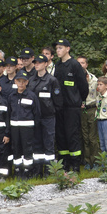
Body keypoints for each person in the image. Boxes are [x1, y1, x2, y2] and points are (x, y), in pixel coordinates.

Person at [52, 39, 89, 172]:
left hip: (72, 107)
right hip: (59, 107)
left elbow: (83, 87)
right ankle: (64, 163)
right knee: (61, 136)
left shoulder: (74, 65)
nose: (58, 51)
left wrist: (79, 101)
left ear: (68, 49)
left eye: (60, 48)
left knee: (72, 135)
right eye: (57, 48)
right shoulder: (58, 65)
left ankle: (75, 164)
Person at [29, 54, 58, 173]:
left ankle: (48, 171)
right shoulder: (31, 80)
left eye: (39, 63)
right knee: (36, 144)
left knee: (49, 144)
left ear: (46, 64)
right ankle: (37, 170)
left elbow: (57, 101)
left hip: (48, 117)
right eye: (35, 63)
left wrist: (51, 111)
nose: (37, 64)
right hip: (35, 117)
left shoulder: (52, 80)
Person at [8, 70, 39, 178]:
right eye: (19, 81)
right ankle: (17, 170)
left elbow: (37, 113)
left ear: (27, 82)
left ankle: (28, 170)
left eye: (23, 81)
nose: (21, 84)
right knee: (16, 148)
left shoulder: (31, 96)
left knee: (27, 149)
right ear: (15, 82)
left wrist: (34, 127)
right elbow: (9, 113)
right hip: (15, 127)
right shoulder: (12, 96)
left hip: (27, 128)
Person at [78, 56, 100, 169]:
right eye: (79, 63)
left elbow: (99, 96)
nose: (81, 65)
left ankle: (95, 161)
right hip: (81, 110)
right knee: (84, 137)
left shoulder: (94, 80)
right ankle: (86, 161)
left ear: (86, 65)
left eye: (83, 63)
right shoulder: (75, 78)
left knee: (92, 137)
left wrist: (98, 108)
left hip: (92, 109)